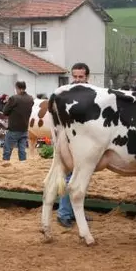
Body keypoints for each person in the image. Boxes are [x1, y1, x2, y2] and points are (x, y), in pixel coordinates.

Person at [57, 62, 92, 228]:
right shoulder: (64, 94)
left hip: (87, 143)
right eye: (75, 76)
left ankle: (77, 212)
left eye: (81, 77)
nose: (77, 80)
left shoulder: (93, 94)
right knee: (70, 177)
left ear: (87, 77)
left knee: (82, 179)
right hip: (69, 142)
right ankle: (64, 213)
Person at [2, 81, 34, 161]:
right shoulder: (30, 98)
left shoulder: (14, 98)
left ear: (17, 88)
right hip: (24, 127)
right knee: (22, 149)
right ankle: (22, 164)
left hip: (14, 128)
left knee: (7, 149)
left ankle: (6, 163)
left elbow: (5, 112)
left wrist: (7, 103)